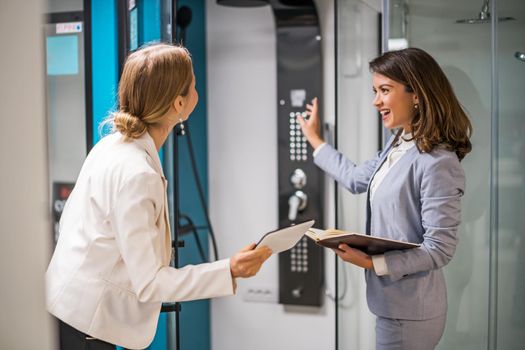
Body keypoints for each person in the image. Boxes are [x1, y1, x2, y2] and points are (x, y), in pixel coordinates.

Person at [46, 43, 272, 350]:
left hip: (71, 311)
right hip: (85, 325)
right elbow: (150, 283)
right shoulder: (138, 173)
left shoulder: (111, 146)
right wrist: (229, 269)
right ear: (179, 104)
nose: (197, 91)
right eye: (193, 85)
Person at [298, 47, 472, 349]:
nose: (376, 101)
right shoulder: (400, 143)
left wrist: (371, 263)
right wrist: (315, 139)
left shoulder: (437, 161)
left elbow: (439, 250)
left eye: (384, 90)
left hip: (411, 310)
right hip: (393, 304)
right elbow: (354, 179)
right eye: (375, 90)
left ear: (416, 94)